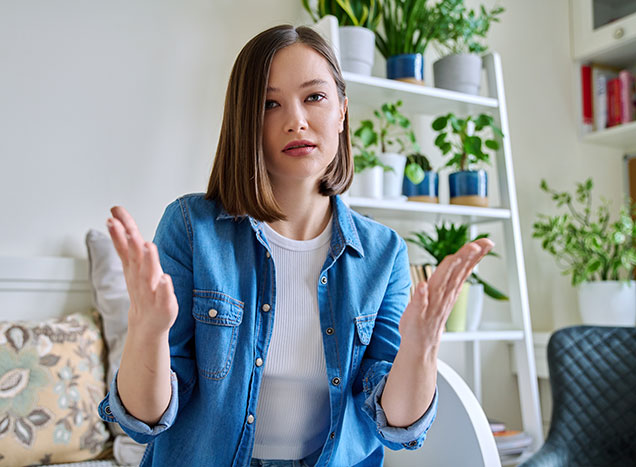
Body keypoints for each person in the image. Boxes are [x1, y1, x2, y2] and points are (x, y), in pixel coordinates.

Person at [97, 23, 493, 467]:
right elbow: (145, 418)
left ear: (342, 111)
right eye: (270, 103)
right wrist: (147, 330)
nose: (296, 121)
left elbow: (397, 425)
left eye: (314, 97)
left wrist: (420, 347)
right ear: (246, 120)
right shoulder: (192, 228)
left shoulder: (383, 253)